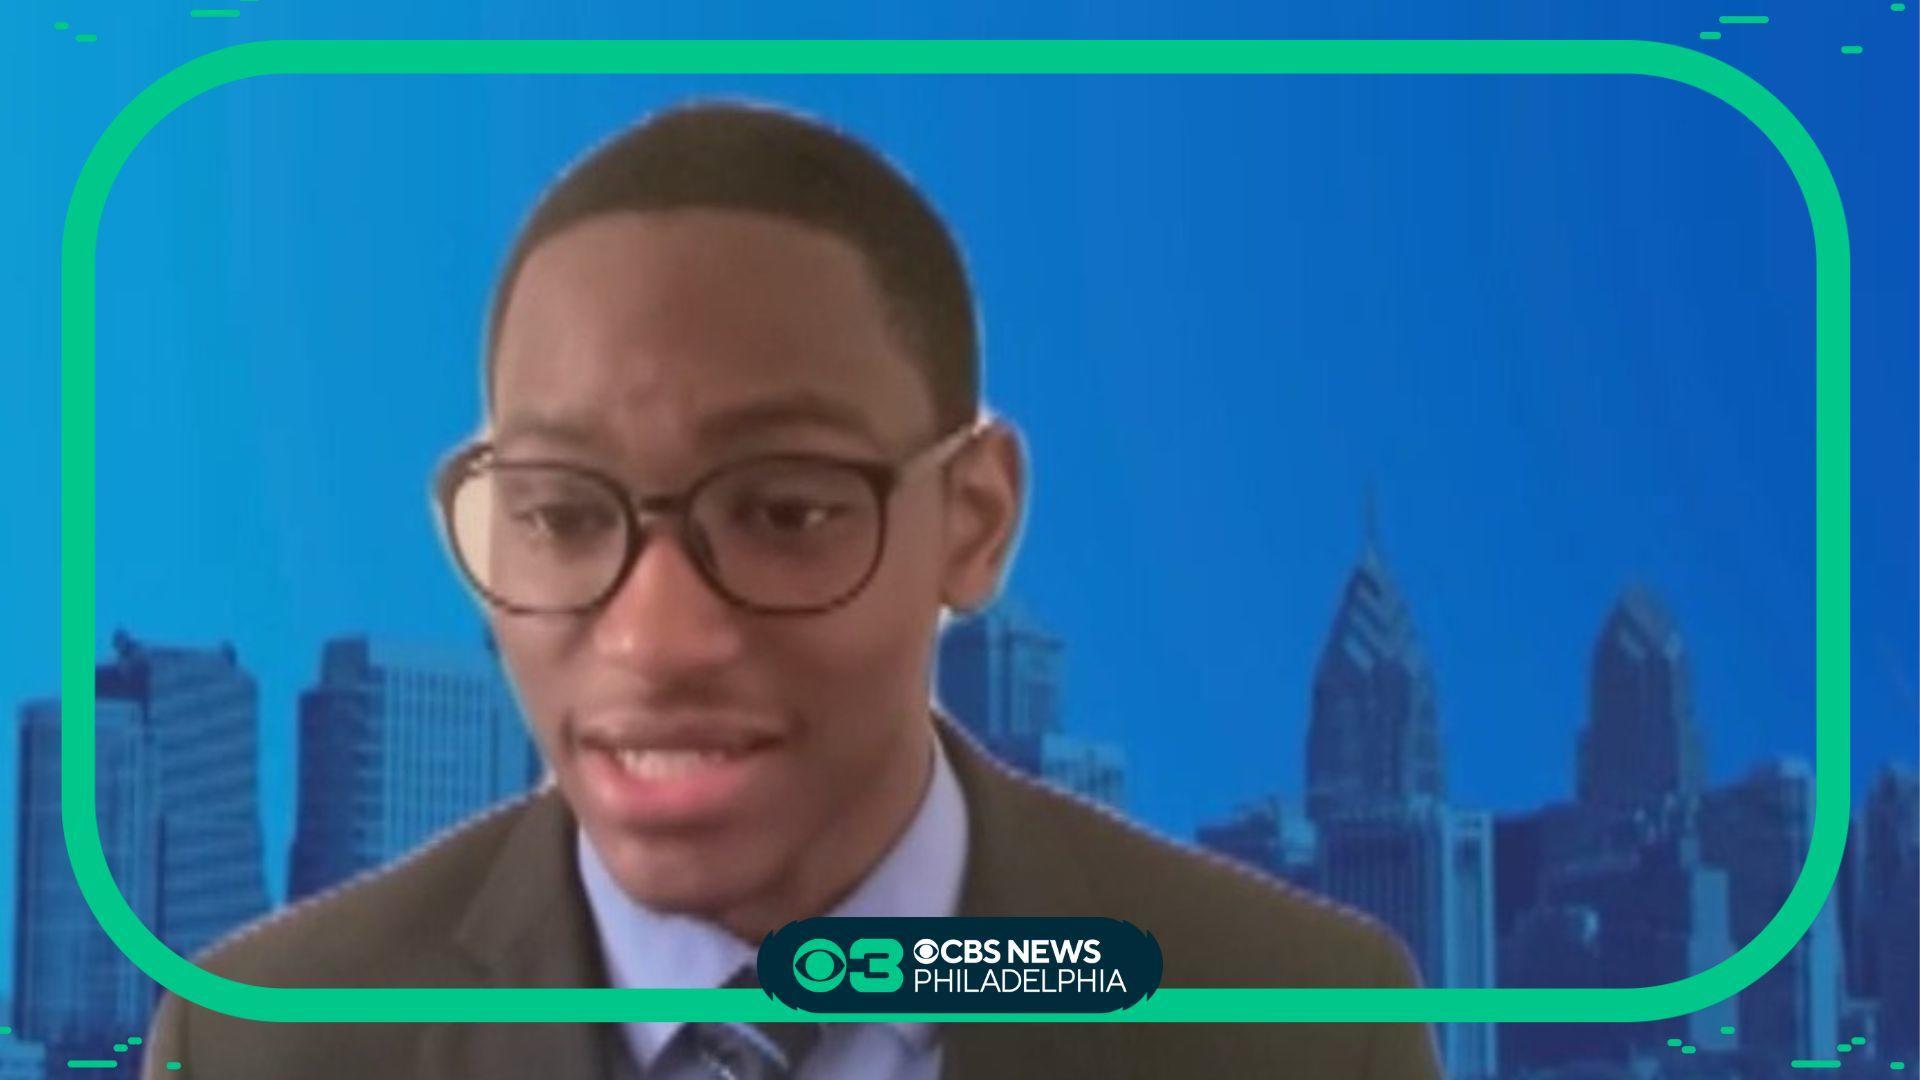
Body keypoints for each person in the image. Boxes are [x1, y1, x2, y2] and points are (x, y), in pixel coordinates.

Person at [143, 99, 1443, 1080]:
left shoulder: (1295, 1024)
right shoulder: (272, 1043)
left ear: (975, 521)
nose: (656, 637)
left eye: (781, 513)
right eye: (558, 515)